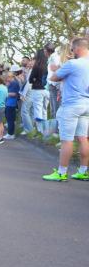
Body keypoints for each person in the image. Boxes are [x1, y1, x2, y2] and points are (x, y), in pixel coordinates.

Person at [42, 37, 89, 182]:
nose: (72, 51)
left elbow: (54, 78)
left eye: (72, 49)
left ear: (78, 48)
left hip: (71, 104)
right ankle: (83, 171)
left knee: (66, 140)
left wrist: (61, 70)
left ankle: (62, 172)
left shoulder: (72, 63)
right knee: (83, 138)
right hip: (86, 105)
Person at [3, 66, 24, 140]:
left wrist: (5, 93)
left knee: (10, 119)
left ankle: (10, 134)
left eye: (6, 78)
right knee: (9, 119)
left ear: (10, 77)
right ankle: (10, 133)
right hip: (9, 103)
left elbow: (14, 94)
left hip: (11, 103)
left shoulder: (14, 83)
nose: (6, 79)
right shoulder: (12, 83)